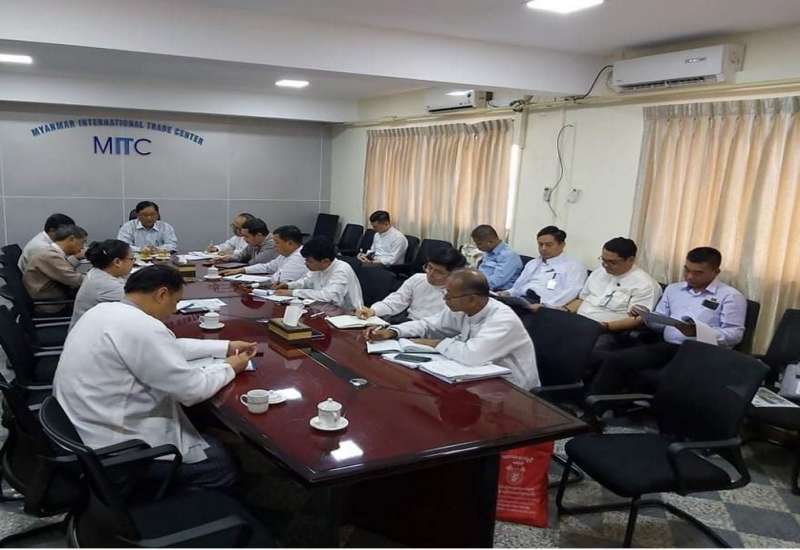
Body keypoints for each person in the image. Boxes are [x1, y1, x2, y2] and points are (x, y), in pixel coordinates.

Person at [54, 265, 256, 490]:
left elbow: (167, 346)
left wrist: (225, 346)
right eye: (175, 302)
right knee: (220, 463)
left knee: (197, 424)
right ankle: (189, 504)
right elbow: (191, 390)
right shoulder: (140, 326)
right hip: (117, 451)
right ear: (162, 294)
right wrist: (230, 367)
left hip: (84, 427)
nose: (174, 310)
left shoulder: (104, 311)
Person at [590, 247, 746, 395]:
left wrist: (698, 332)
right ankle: (595, 405)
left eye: (698, 273)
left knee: (667, 378)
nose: (689, 276)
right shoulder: (674, 289)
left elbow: (735, 334)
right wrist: (646, 316)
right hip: (669, 346)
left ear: (716, 272)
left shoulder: (730, 296)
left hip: (703, 353)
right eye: (687, 270)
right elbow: (660, 321)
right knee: (616, 360)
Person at [365, 269, 540, 390]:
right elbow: (428, 324)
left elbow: (472, 355)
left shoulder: (502, 319)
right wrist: (393, 331)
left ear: (472, 299)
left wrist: (435, 343)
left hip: (513, 389)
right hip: (476, 378)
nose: (445, 298)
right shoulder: (463, 308)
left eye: (449, 295)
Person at [570, 237, 662, 334]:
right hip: (578, 321)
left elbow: (637, 319)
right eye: (603, 260)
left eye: (612, 262)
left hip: (608, 331)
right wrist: (564, 312)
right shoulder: (599, 272)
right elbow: (582, 299)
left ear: (630, 260)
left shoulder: (645, 285)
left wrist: (605, 326)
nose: (605, 265)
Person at [355, 246, 466, 322]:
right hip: (409, 326)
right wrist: (373, 310)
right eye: (429, 267)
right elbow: (397, 300)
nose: (430, 274)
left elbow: (444, 325)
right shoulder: (418, 279)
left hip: (434, 336)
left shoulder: (459, 293)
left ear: (454, 274)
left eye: (439, 272)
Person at [500, 226, 587, 310]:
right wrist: (507, 293)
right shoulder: (532, 263)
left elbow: (571, 292)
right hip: (522, 300)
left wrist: (545, 305)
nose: (543, 248)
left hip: (546, 307)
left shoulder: (574, 266)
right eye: (540, 244)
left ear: (562, 245)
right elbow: (518, 287)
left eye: (549, 245)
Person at [274, 236, 363, 310]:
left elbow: (328, 297)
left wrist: (292, 292)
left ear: (325, 261)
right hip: (323, 309)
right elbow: (306, 282)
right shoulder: (318, 267)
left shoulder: (341, 270)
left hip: (348, 315)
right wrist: (288, 285)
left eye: (309, 261)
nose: (306, 264)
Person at [69, 239, 135, 330]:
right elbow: (141, 305)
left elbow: (125, 279)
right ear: (117, 262)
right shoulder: (106, 285)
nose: (133, 262)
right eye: (132, 259)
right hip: (90, 334)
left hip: (93, 328)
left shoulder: (98, 271)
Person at [22, 225, 87, 313]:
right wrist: (97, 276)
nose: (83, 247)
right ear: (71, 239)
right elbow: (76, 281)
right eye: (83, 242)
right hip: (51, 304)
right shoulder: (50, 256)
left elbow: (61, 269)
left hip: (48, 296)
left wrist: (76, 258)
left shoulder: (49, 251)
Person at [220, 225, 306, 284]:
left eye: (277, 242)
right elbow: (268, 267)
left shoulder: (299, 256)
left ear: (290, 243)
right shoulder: (286, 254)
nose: (274, 245)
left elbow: (279, 280)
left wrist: (252, 282)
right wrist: (241, 270)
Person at [472, 225, 523, 291]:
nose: (477, 247)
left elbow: (496, 282)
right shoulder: (489, 251)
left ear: (490, 242)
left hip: (498, 291)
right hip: (482, 287)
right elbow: (482, 271)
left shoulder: (509, 255)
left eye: (479, 244)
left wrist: (473, 284)